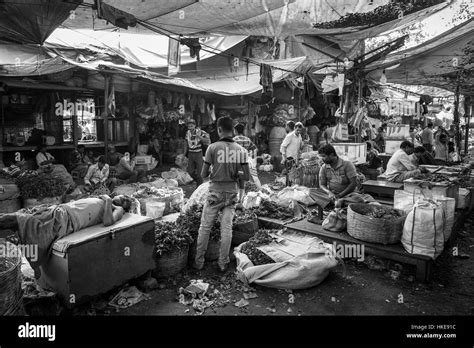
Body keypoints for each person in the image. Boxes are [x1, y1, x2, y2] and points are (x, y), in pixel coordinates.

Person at [0, 195, 125, 278]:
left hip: (64, 220)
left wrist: (108, 200)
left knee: (17, 221)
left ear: (125, 205)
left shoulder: (117, 209)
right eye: (121, 196)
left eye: (124, 199)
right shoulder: (102, 200)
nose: (121, 197)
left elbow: (108, 221)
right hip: (59, 211)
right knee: (16, 218)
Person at [194, 116, 250, 273]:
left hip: (215, 193)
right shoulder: (241, 150)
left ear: (219, 129)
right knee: (226, 229)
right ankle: (223, 262)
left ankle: (199, 262)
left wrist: (215, 169)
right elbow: (245, 177)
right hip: (232, 194)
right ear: (232, 130)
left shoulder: (212, 148)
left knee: (205, 227)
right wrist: (235, 172)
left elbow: (203, 174)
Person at [233, 123, 261, 190]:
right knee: (254, 177)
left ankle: (239, 194)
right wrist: (250, 156)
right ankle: (260, 190)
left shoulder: (233, 140)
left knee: (237, 178)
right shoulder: (247, 139)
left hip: (237, 162)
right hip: (247, 161)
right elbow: (255, 149)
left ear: (235, 131)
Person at [184, 119, 209, 187]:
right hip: (190, 153)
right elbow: (186, 143)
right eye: (189, 126)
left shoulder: (201, 132)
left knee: (200, 172)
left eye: (191, 126)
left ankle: (199, 186)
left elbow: (207, 141)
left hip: (198, 153)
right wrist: (184, 154)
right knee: (190, 171)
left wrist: (199, 137)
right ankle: (198, 180)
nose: (190, 128)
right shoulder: (187, 133)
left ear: (195, 126)